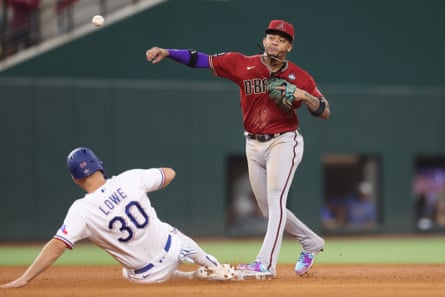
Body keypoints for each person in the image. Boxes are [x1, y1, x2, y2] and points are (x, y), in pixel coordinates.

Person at [145, 19, 330, 277]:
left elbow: (324, 111)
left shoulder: (299, 76)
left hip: (285, 140)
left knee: (276, 200)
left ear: (289, 46)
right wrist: (167, 53)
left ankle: (265, 264)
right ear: (264, 40)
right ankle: (311, 241)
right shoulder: (241, 63)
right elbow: (201, 59)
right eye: (271, 36)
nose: (274, 41)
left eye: (281, 38)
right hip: (253, 143)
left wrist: (305, 96)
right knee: (267, 208)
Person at [0, 147, 236, 288]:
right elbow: (169, 174)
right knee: (168, 230)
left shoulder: (81, 210)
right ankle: (210, 264)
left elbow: (56, 246)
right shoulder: (130, 178)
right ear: (100, 166)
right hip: (174, 248)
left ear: (75, 179)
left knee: (127, 271)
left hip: (148, 277)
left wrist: (24, 279)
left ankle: (191, 276)